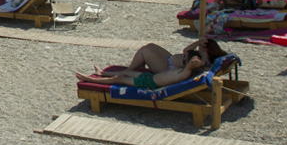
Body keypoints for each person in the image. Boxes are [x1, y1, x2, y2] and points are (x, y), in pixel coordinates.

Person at [84, 39, 223, 88]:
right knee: (149, 46)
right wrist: (198, 43)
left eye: (202, 45)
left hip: (165, 69)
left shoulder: (201, 58)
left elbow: (197, 62)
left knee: (144, 51)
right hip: (169, 62)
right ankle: (103, 73)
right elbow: (186, 51)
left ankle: (130, 68)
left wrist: (200, 54)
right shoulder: (197, 57)